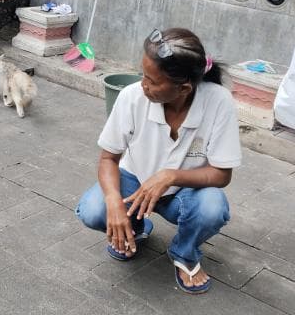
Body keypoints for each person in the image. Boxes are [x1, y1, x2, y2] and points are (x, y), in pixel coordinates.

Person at [75, 28, 241, 294]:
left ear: (184, 88)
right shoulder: (132, 97)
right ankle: (136, 228)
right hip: (134, 185)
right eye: (143, 75)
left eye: (152, 81)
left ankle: (184, 253)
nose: (143, 85)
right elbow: (108, 158)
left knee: (213, 207)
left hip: (185, 194)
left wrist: (171, 176)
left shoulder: (219, 101)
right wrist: (114, 203)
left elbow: (222, 175)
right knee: (94, 211)